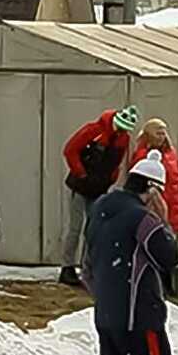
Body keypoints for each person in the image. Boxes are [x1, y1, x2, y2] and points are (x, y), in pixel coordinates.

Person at [84, 148, 176, 355]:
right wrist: (163, 220)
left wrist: (104, 295)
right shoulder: (143, 218)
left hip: (105, 311)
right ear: (152, 190)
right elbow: (167, 256)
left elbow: (87, 263)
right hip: (139, 314)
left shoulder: (99, 208)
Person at [60, 105, 138, 286]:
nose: (123, 131)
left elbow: (116, 163)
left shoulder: (123, 139)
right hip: (79, 186)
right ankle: (67, 266)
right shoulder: (94, 131)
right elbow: (70, 150)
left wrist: (110, 180)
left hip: (98, 188)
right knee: (75, 228)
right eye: (121, 127)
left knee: (93, 230)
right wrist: (81, 174)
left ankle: (88, 266)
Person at [128, 118, 178, 234]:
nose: (161, 137)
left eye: (163, 133)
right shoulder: (142, 156)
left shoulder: (171, 154)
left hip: (174, 206)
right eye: (158, 133)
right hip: (154, 207)